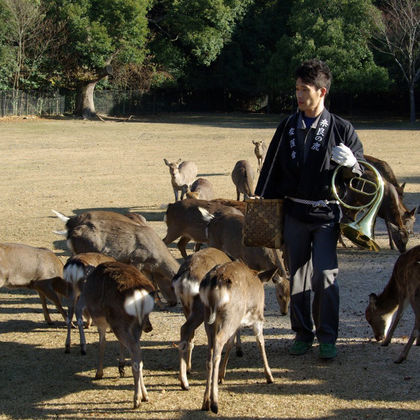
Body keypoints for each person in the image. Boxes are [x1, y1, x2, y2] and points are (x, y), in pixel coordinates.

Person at [255, 59, 365, 359]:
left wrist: (353, 165)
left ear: (322, 91)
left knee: (325, 275)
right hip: (294, 213)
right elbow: (271, 169)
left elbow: (362, 176)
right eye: (297, 89)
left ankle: (328, 337)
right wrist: (260, 203)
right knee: (298, 276)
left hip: (327, 215)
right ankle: (303, 333)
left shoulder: (342, 128)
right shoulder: (288, 125)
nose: (299, 96)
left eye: (305, 90)